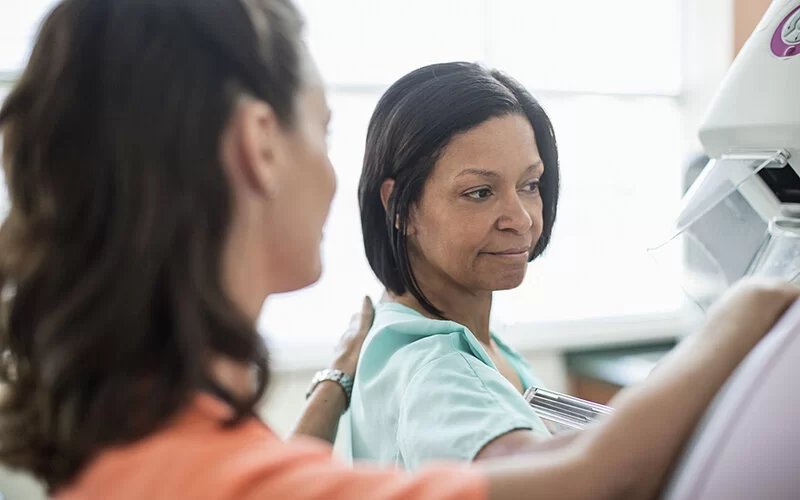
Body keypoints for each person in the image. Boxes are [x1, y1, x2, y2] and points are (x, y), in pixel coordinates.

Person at [0, 1, 796, 499]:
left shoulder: (149, 434)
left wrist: (337, 378)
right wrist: (755, 307)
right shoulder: (418, 364)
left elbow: (272, 468)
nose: (519, 215)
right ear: (259, 146)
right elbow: (588, 482)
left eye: (532, 185)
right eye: (325, 130)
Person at [350, 62, 557, 467]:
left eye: (529, 185)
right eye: (480, 192)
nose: (522, 219)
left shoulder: (471, 340)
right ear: (400, 207)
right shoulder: (437, 369)